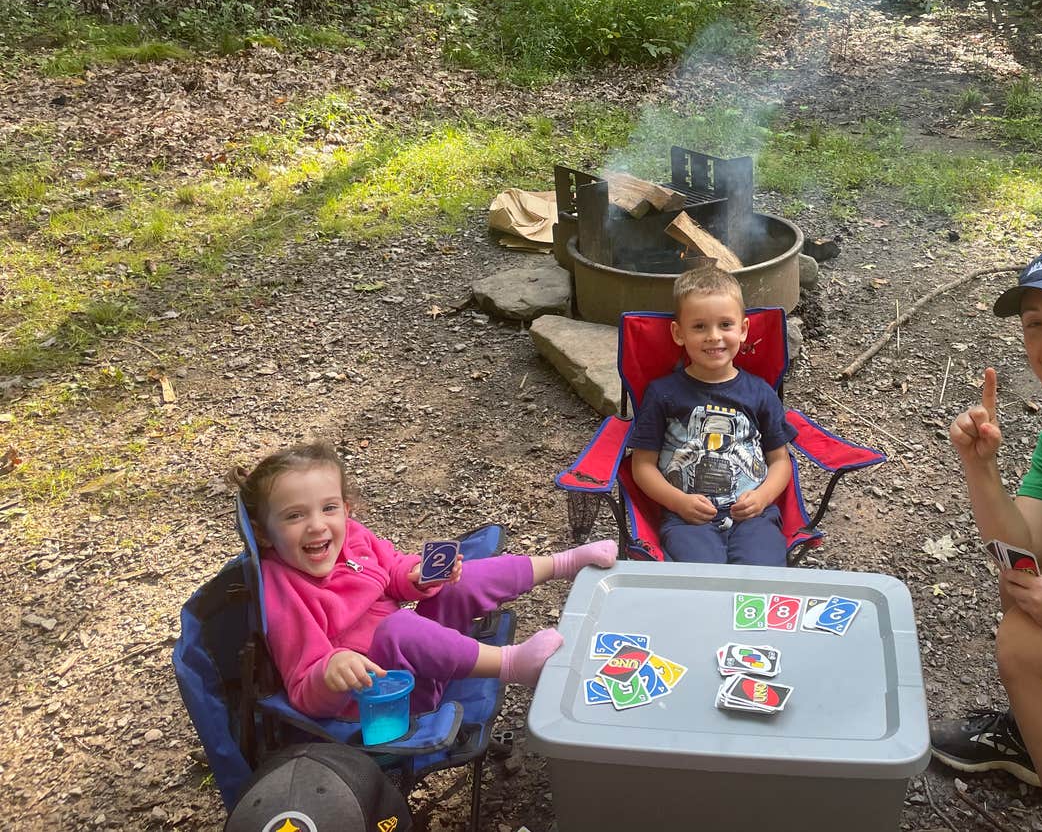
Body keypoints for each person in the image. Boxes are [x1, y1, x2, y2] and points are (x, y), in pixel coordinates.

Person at [930, 243, 1042, 832]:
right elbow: (1024, 555)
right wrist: (979, 466)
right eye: (1036, 324)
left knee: (1026, 646)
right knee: (1033, 587)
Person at [234, 441, 617, 719]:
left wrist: (416, 577)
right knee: (398, 626)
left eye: (329, 508)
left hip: (419, 657)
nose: (317, 525)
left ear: (346, 510)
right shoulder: (282, 590)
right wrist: (330, 672)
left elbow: (393, 570)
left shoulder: (352, 536)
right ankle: (513, 665)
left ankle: (565, 562)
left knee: (459, 578)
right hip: (386, 700)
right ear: (265, 534)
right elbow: (304, 692)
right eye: (294, 516)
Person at [626, 264, 796, 565]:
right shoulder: (663, 393)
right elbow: (642, 466)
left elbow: (780, 460)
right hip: (687, 519)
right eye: (699, 326)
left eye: (725, 325)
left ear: (743, 330)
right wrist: (678, 501)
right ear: (679, 334)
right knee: (699, 579)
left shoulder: (759, 393)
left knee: (762, 577)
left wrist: (763, 497)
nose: (713, 337)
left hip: (754, 516)